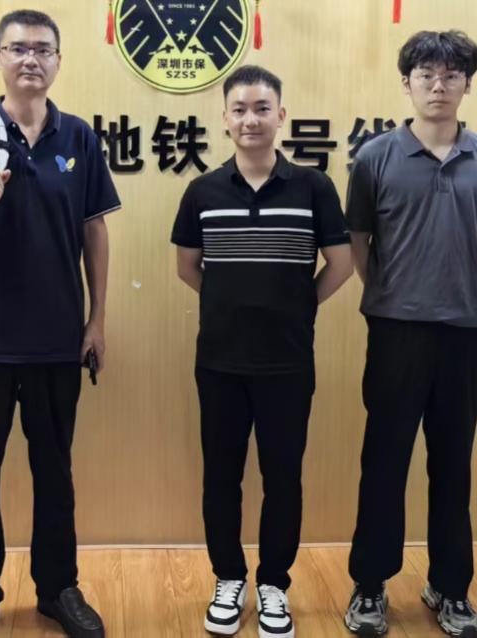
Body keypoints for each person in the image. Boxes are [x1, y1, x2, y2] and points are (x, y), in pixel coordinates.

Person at [0, 9, 121, 638]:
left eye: (43, 49)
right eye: (18, 48)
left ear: (58, 60)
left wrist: (96, 319)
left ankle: (58, 588)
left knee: (54, 469)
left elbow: (94, 229)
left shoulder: (79, 137)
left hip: (57, 337)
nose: (31, 59)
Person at [342, 31, 477, 638]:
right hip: (395, 331)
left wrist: (445, 285)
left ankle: (450, 587)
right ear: (407, 83)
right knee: (384, 461)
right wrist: (397, 294)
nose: (438, 86)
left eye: (450, 75)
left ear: (467, 84)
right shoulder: (375, 157)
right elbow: (359, 242)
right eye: (425, 75)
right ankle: (370, 584)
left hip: (463, 330)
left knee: (453, 465)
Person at [172, 65, 352, 638]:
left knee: (284, 477)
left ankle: (274, 583)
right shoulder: (202, 191)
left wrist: (299, 305)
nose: (251, 119)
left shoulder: (314, 188)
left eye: (262, 108)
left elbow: (342, 263)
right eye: (240, 109)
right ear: (225, 119)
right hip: (219, 362)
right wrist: (232, 303)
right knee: (221, 477)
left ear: (281, 116)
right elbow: (187, 266)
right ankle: (228, 577)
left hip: (287, 364)